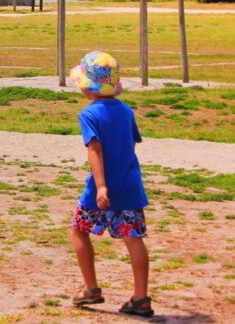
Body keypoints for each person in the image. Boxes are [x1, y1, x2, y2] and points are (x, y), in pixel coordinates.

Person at [68, 51, 153, 318]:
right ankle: (141, 298)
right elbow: (130, 142)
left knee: (79, 230)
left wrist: (102, 186)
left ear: (87, 84)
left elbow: (95, 149)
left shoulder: (89, 114)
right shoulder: (126, 111)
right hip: (129, 186)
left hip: (100, 190)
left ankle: (91, 288)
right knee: (133, 238)